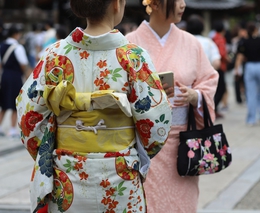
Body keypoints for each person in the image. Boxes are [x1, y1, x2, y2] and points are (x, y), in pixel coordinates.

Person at [16, 0, 172, 212]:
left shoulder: (55, 55)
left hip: (66, 174)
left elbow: (28, 118)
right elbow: (155, 127)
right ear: (117, 4)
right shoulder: (134, 57)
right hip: (120, 175)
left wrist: (50, 151)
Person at [126, 0, 219, 212]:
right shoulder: (130, 43)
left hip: (183, 143)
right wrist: (150, 96)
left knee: (182, 203)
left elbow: (208, 79)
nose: (183, 4)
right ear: (156, 4)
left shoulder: (191, 42)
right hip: (144, 144)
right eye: (177, 0)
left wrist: (195, 96)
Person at [235, 21, 260, 126]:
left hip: (249, 67)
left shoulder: (244, 41)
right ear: (255, 29)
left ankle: (251, 119)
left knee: (251, 93)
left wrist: (237, 69)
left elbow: (240, 56)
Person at [0, 25, 30, 137]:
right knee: (14, 103)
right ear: (16, 34)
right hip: (15, 76)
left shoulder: (1, 46)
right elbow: (23, 64)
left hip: (5, 75)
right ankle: (12, 129)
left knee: (3, 103)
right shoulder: (18, 47)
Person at [212, 20, 230, 118]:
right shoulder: (221, 39)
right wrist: (228, 59)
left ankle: (215, 109)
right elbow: (222, 54)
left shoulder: (213, 37)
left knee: (216, 88)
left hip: (213, 66)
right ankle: (213, 109)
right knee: (221, 88)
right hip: (220, 66)